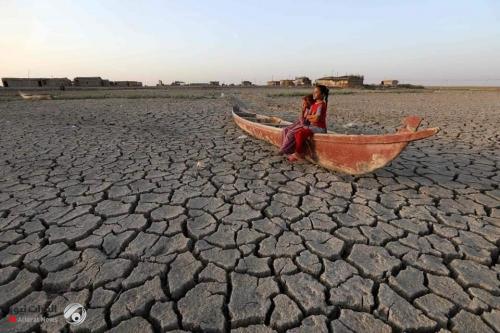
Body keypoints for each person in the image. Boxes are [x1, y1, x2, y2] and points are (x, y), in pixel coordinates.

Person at [288, 85, 329, 162]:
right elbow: (306, 116)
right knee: (297, 132)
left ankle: (298, 153)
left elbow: (316, 119)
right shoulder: (313, 105)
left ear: (322, 95)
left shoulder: (321, 105)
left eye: (316, 92)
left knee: (300, 133)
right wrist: (311, 116)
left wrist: (311, 117)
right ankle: (301, 150)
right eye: (314, 92)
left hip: (320, 128)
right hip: (312, 127)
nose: (314, 94)